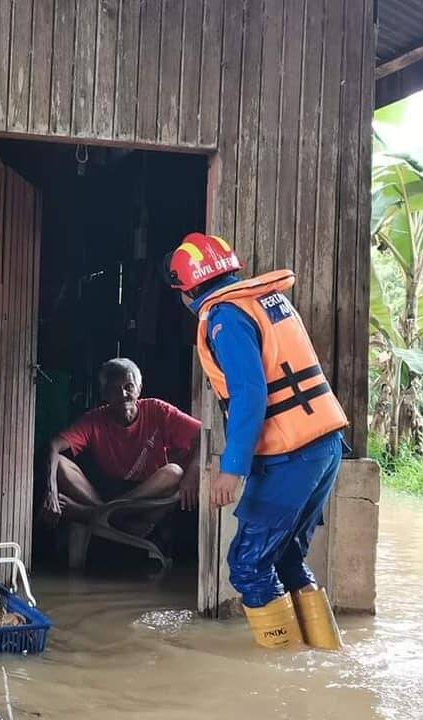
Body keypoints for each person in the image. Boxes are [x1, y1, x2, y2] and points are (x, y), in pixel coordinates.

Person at [164, 232, 347, 651]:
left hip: (293, 455)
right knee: (284, 558)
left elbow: (249, 393)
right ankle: (322, 657)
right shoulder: (266, 300)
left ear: (187, 289)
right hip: (323, 444)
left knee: (247, 566)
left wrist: (232, 469)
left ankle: (284, 675)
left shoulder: (225, 319)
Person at [40, 358, 201, 538]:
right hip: (107, 491)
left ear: (139, 389)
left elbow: (203, 434)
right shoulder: (95, 420)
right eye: (113, 389)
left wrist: (192, 474)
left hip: (149, 495)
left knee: (174, 472)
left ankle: (96, 513)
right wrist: (51, 491)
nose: (123, 394)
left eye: (129, 387)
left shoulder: (157, 410)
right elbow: (54, 446)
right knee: (60, 463)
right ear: (104, 394)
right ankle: (113, 517)